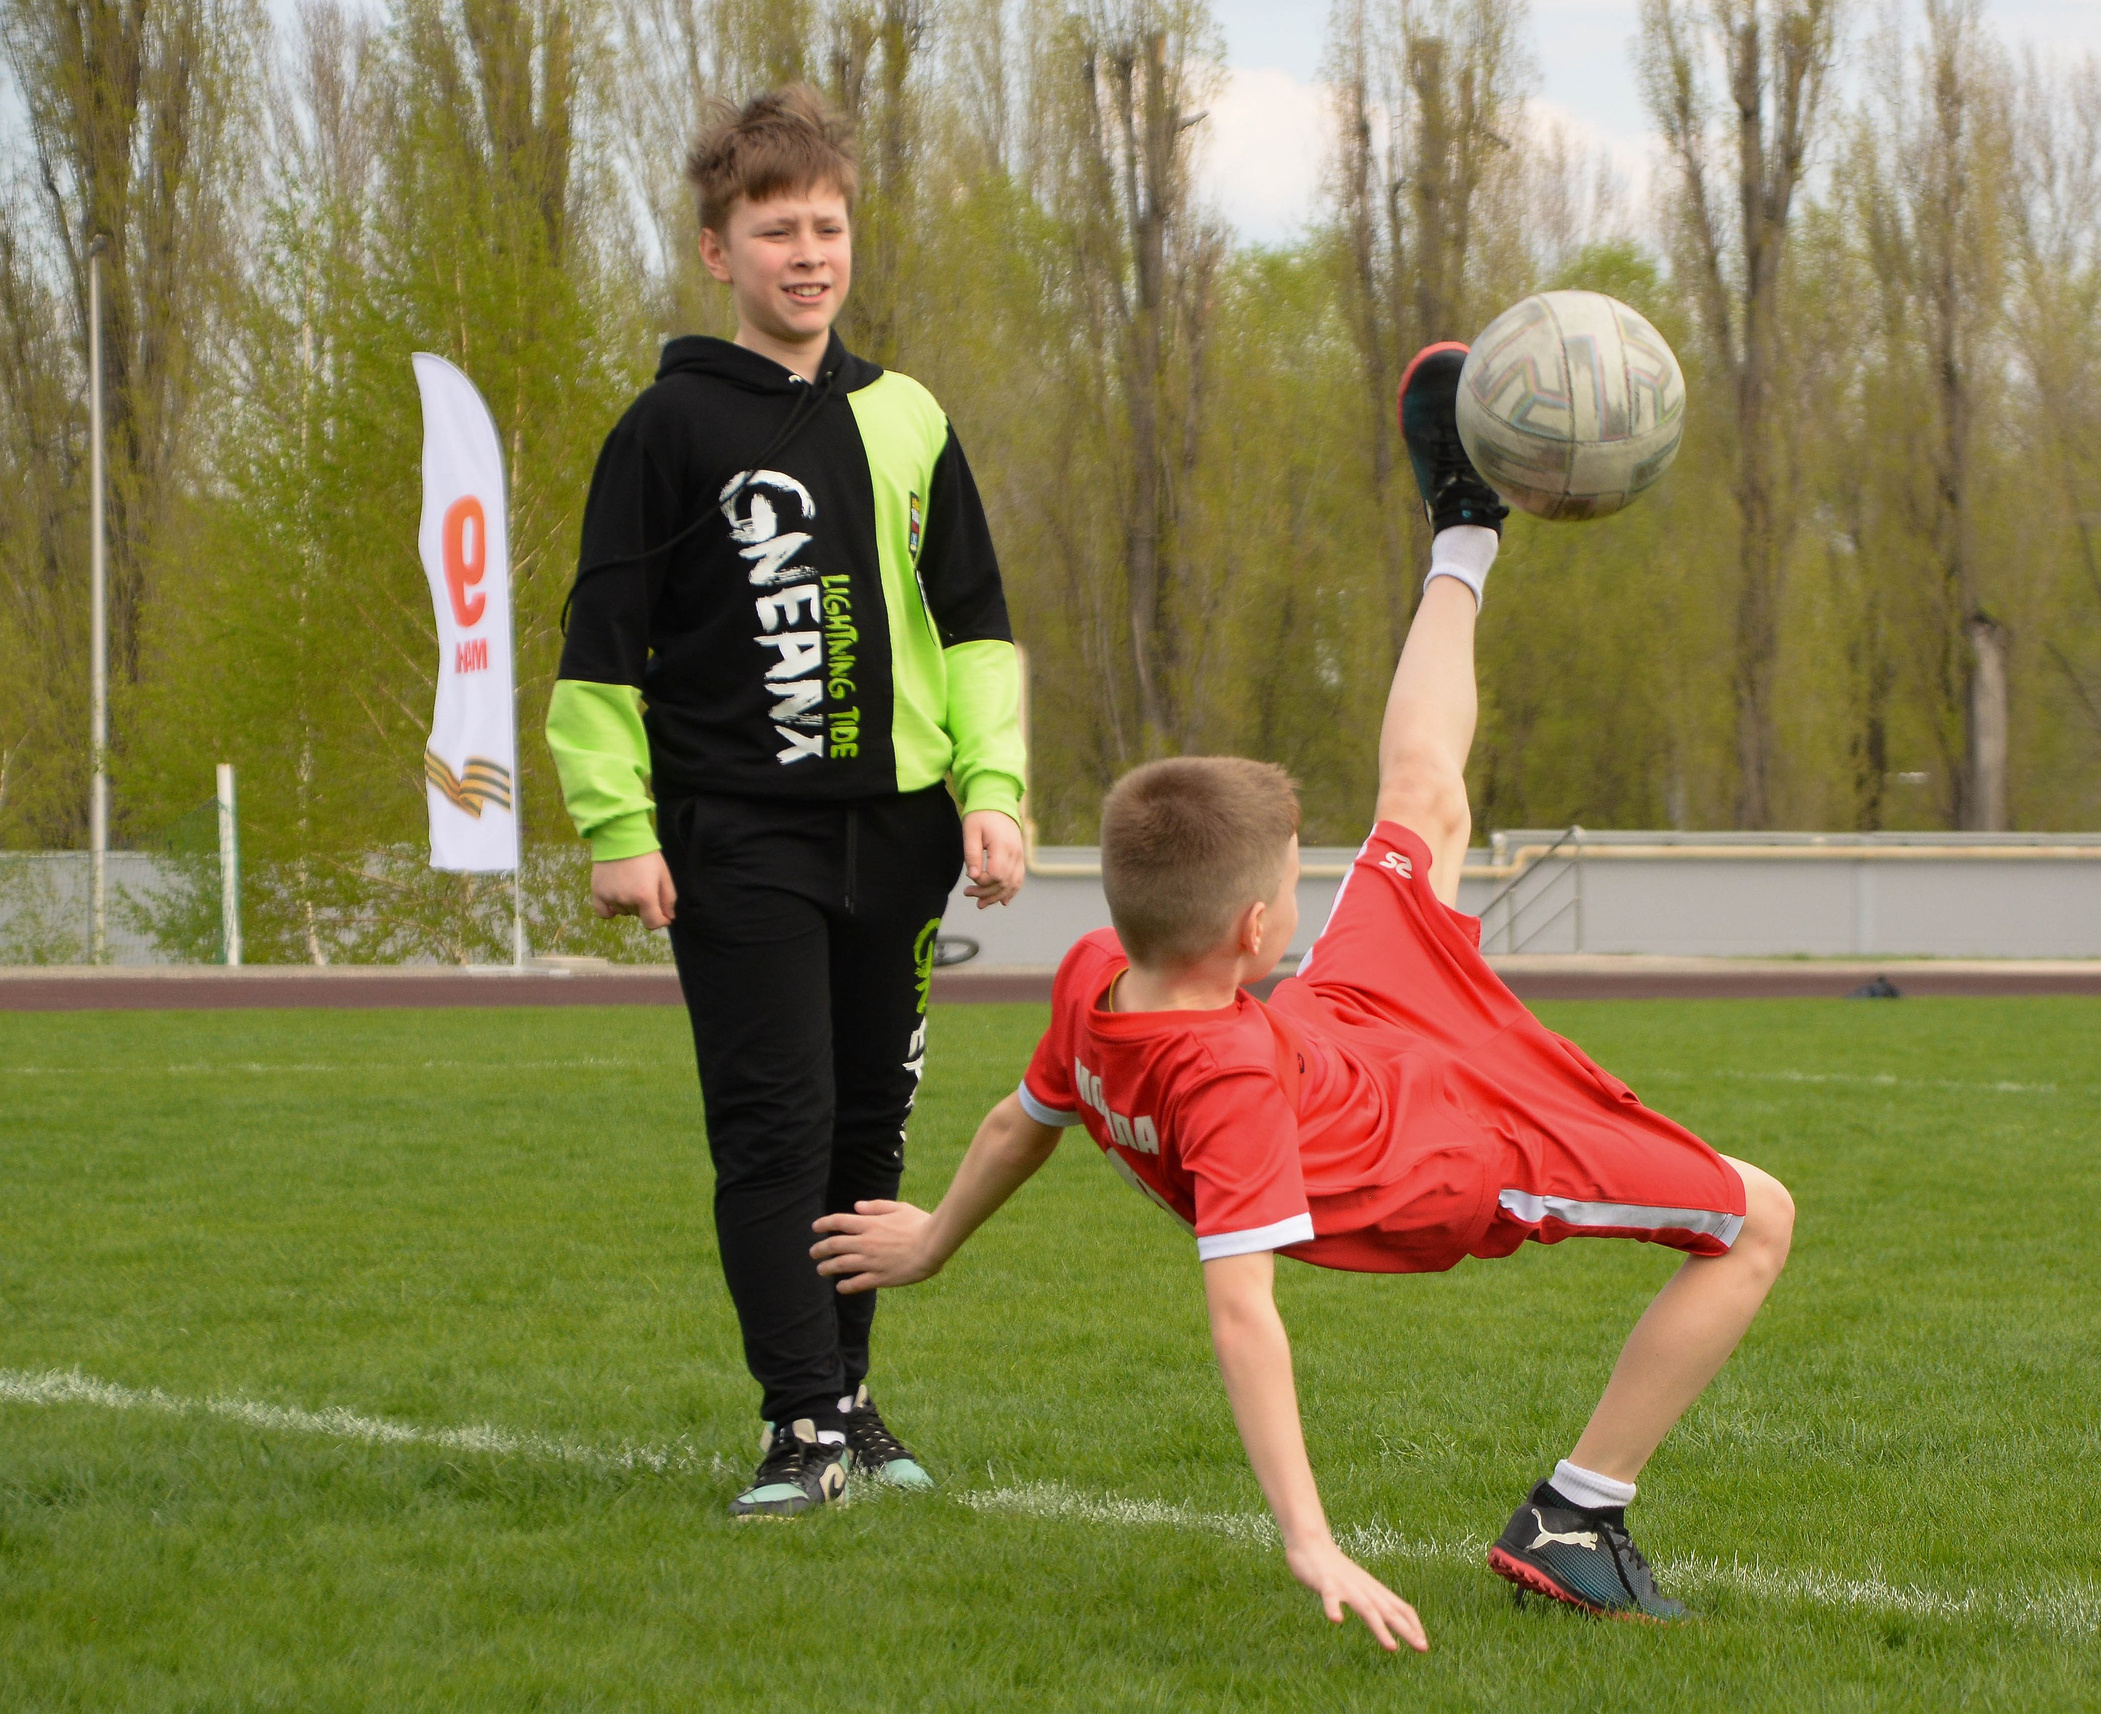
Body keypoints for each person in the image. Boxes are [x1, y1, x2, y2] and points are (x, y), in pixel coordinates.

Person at [809, 343, 1796, 1638]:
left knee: (1421, 806)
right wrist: (1313, 1544)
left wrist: (934, 1239)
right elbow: (1243, 1317)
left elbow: (1019, 1120)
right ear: (1262, 927)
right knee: (1754, 1215)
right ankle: (1577, 1512)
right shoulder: (1219, 1085)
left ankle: (1463, 527)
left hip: (1341, 1029)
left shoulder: (1099, 972)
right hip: (1435, 1144)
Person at [546, 85, 1026, 1518]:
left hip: (902, 833)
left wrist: (991, 793)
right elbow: (599, 642)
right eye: (774, 231)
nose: (806, 254)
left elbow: (978, 624)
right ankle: (797, 1425)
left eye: (827, 227)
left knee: (865, 1135)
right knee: (775, 1124)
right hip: (736, 834)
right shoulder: (666, 426)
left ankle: (852, 1397)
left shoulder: (911, 417)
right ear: (718, 252)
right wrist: (616, 826)